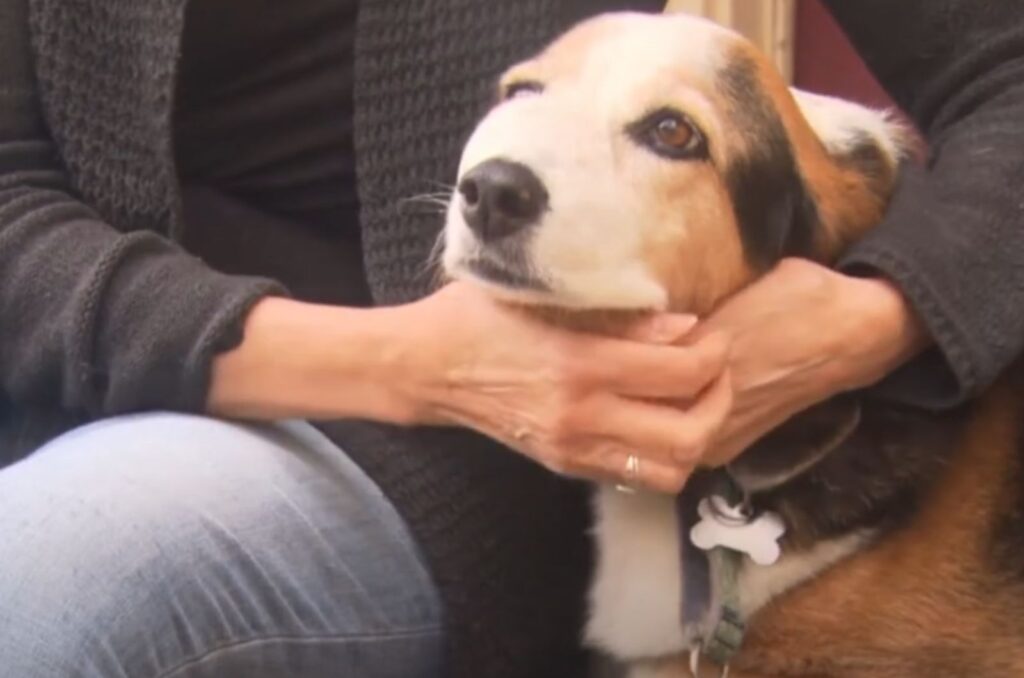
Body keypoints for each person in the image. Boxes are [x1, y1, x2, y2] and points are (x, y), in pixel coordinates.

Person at [0, 0, 1021, 676]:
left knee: (41, 590)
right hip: (88, 376)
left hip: (474, 464)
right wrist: (415, 363)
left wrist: (876, 313)